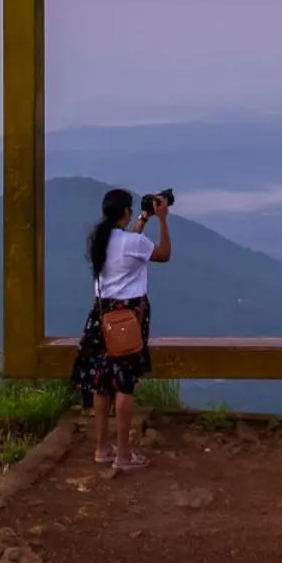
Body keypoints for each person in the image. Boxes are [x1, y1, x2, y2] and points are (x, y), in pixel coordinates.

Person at [70, 187, 171, 471]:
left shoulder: (99, 238)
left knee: (101, 384)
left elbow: (128, 243)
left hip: (101, 315)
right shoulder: (130, 243)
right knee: (124, 384)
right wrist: (161, 218)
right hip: (128, 318)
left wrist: (143, 218)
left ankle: (102, 448)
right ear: (125, 212)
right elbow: (163, 254)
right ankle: (124, 455)